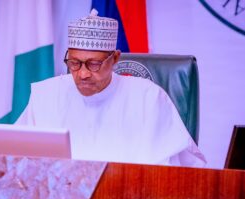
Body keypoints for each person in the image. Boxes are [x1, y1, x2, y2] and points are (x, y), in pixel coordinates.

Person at [16, 9, 206, 167]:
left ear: (115, 58)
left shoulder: (148, 98)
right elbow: (11, 159)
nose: (83, 74)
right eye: (74, 63)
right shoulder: (47, 96)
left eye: (93, 64)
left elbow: (184, 172)